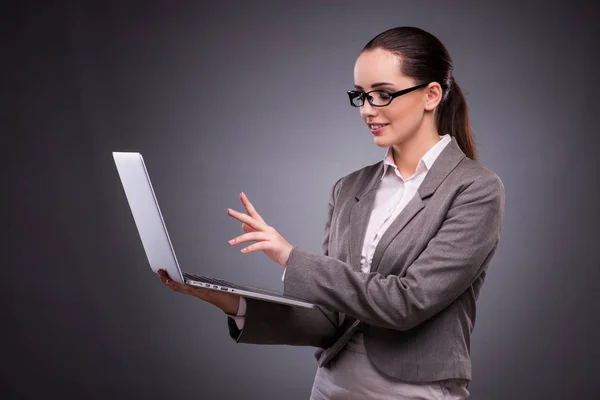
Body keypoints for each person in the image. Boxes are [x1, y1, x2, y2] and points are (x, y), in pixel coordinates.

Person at [158, 26, 505, 399]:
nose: (368, 110)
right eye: (361, 96)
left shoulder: (475, 189)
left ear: (431, 94)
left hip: (414, 391)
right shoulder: (349, 188)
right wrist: (227, 300)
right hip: (331, 387)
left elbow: (408, 303)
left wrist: (291, 259)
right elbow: (330, 319)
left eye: (383, 94)